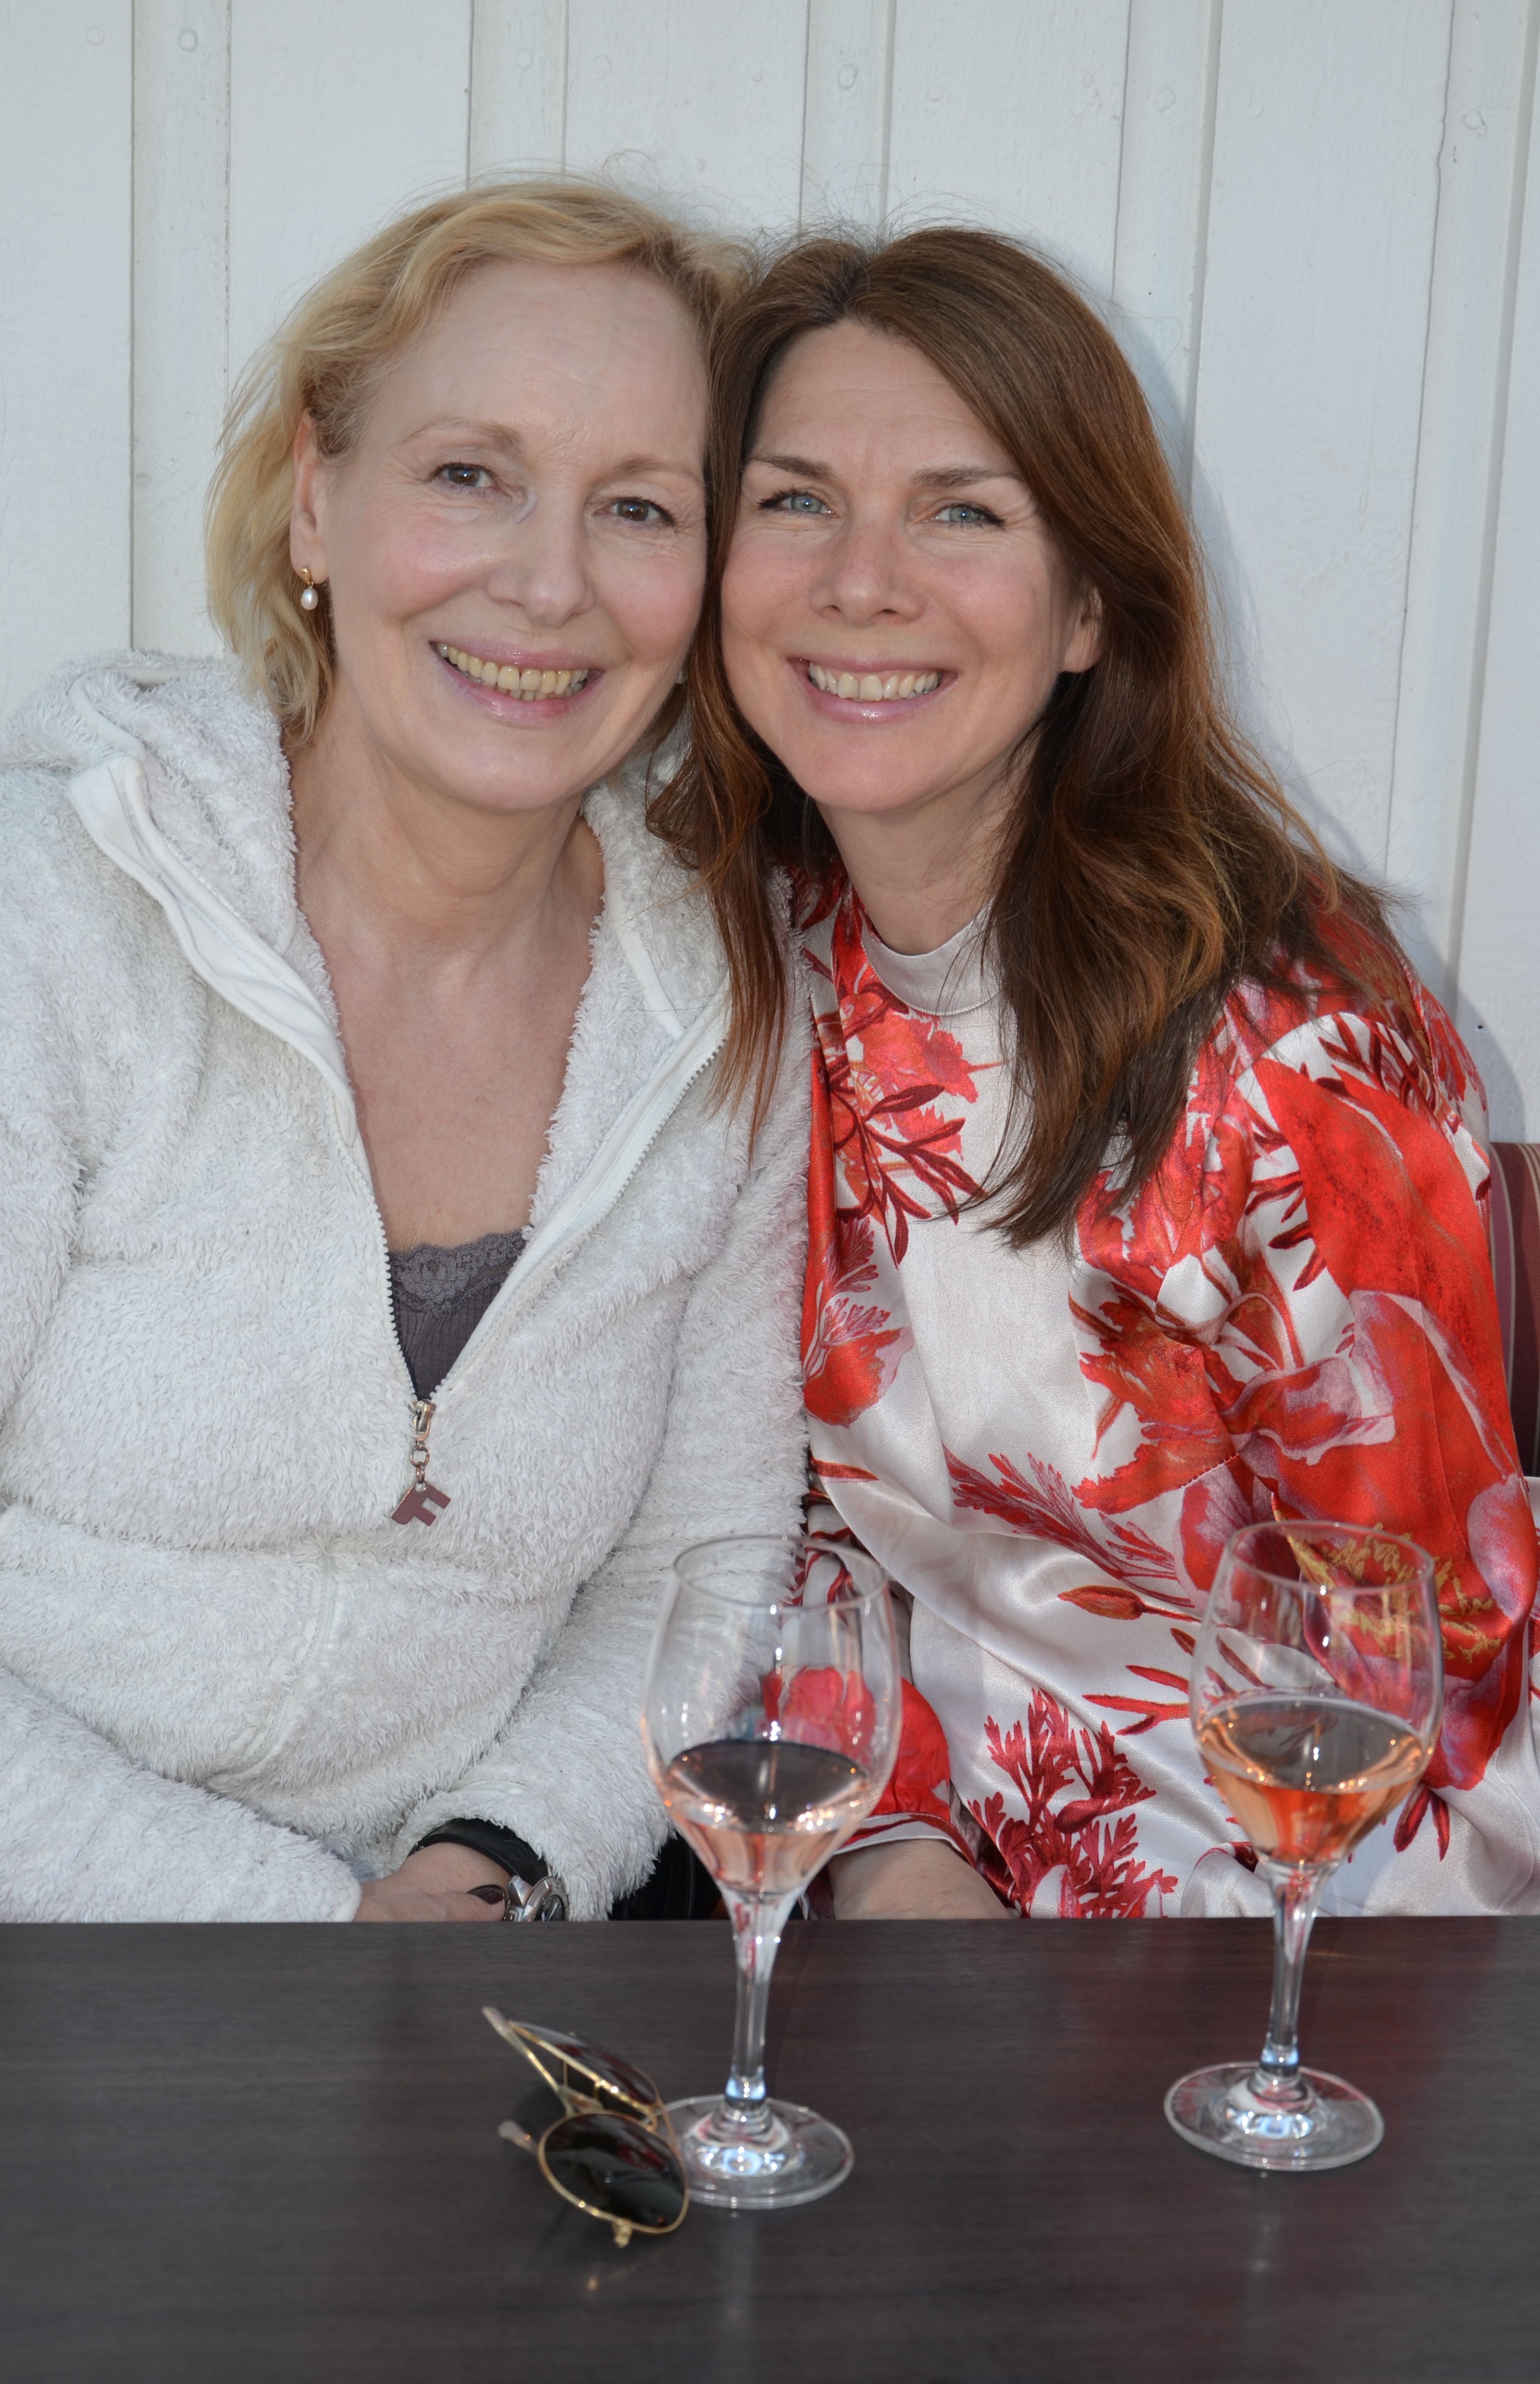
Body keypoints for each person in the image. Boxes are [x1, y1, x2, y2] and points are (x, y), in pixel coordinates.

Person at [0, 178, 813, 2103]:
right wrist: (308, 1934)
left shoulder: (724, 1006)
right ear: (316, 499)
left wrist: (492, 1872)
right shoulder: (44, 905)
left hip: (456, 1992)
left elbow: (699, 1569)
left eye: (640, 507)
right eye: (472, 475)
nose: (547, 583)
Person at [651, 224, 1540, 1920]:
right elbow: (791, 1526)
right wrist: (898, 1866)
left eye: (963, 512)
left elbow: (1427, 1689)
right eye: (796, 500)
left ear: (1087, 611)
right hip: (894, 1891)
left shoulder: (1298, 1053)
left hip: (1287, 1942)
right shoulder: (744, 959)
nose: (862, 581)